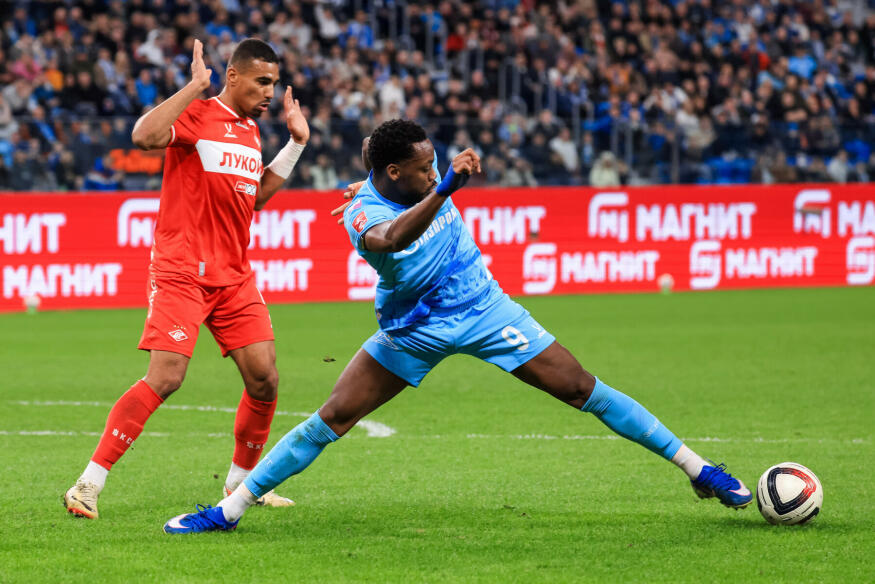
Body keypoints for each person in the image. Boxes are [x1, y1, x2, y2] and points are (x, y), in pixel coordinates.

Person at [162, 119, 752, 533]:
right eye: (423, 169)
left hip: (485, 309)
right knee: (333, 418)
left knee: (581, 387)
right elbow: (392, 238)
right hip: (413, 329)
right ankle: (229, 510)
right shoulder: (363, 212)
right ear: (395, 173)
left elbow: (375, 145)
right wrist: (444, 189)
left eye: (435, 165)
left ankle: (698, 470)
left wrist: (423, 178)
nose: (434, 173)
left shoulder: (398, 171)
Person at [64, 38, 310, 519]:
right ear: (232, 76)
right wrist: (194, 87)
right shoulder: (197, 115)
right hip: (182, 270)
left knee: (264, 379)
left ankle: (241, 486)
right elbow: (143, 136)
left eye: (274, 83)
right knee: (167, 376)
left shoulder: (250, 131)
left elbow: (256, 198)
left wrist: (296, 144)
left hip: (233, 275)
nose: (269, 92)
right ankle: (88, 483)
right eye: (262, 81)